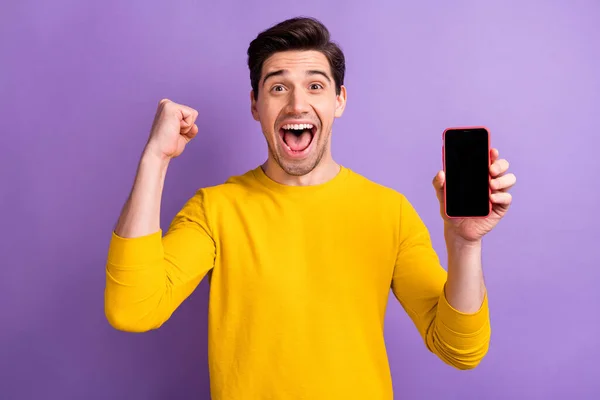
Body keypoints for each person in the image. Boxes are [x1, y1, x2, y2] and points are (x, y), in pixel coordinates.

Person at [104, 16, 516, 399]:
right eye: (278, 87)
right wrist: (155, 158)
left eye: (315, 86)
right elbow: (132, 309)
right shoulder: (215, 209)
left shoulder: (389, 211)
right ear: (255, 105)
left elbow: (461, 349)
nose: (297, 104)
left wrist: (464, 245)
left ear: (339, 100)